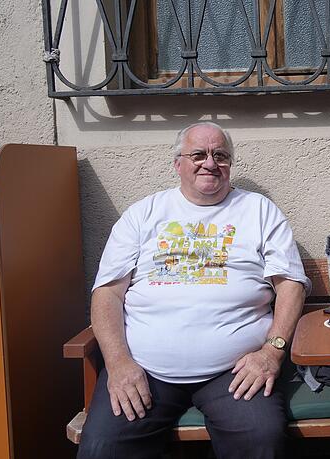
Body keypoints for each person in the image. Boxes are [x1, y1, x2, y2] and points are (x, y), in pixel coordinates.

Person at [78, 122, 310, 459]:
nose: (210, 163)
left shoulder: (259, 211)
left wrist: (271, 352)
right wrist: (118, 362)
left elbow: (290, 284)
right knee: (102, 449)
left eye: (220, 155)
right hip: (145, 369)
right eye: (198, 155)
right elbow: (107, 294)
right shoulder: (143, 215)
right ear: (177, 164)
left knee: (260, 440)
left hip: (234, 371)